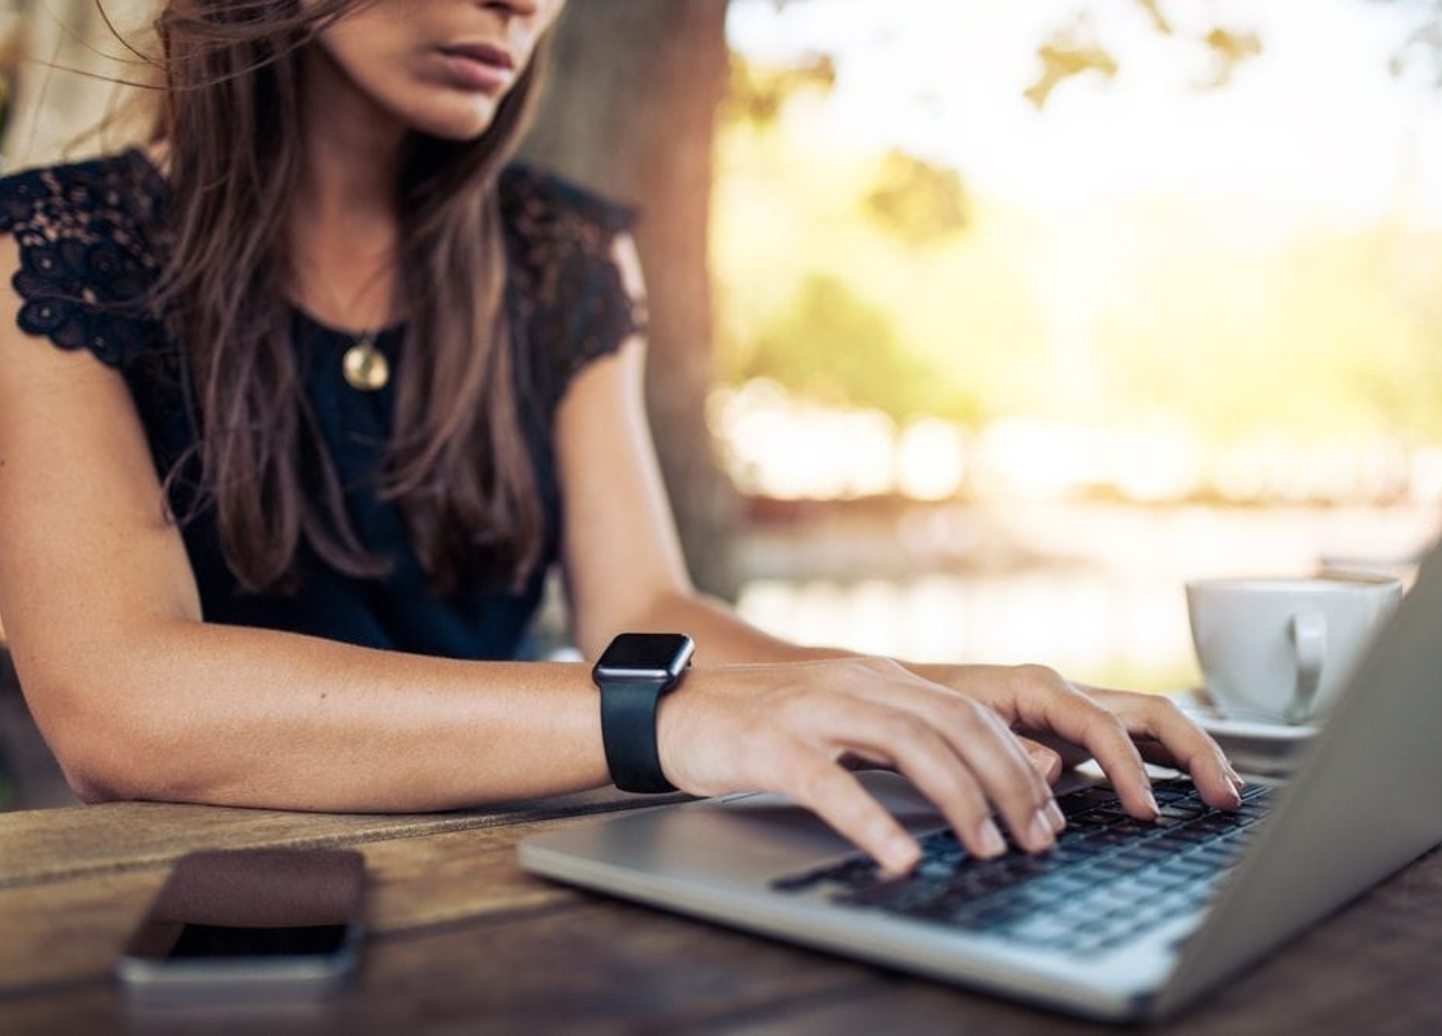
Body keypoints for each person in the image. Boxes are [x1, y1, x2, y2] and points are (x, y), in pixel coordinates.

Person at [0, 0, 1241, 874]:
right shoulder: (55, 249)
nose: (524, 2)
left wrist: (916, 696)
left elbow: (644, 607)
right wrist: (669, 718)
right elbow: (119, 701)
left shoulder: (566, 257)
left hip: (513, 879)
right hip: (204, 913)